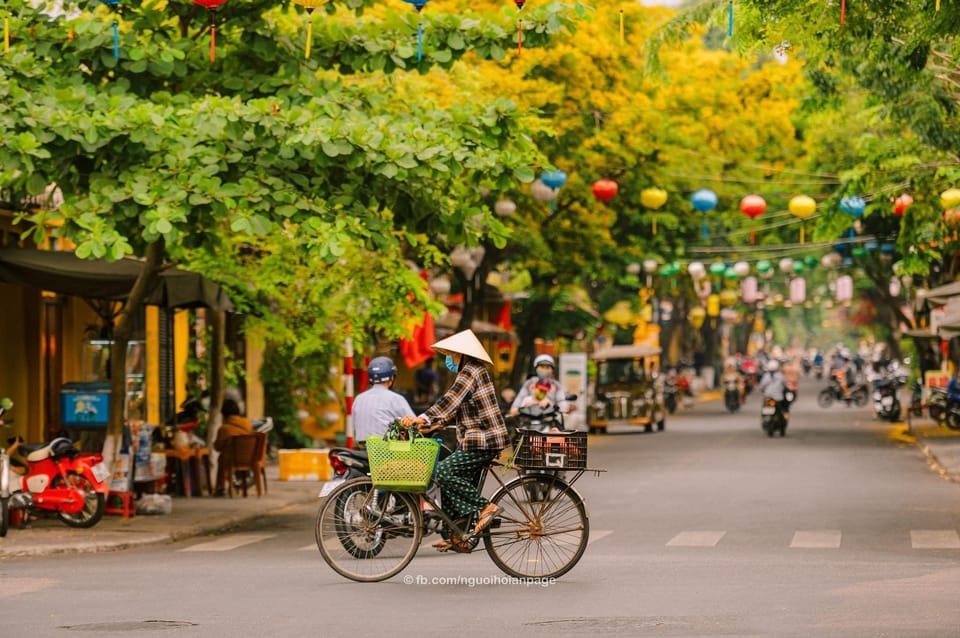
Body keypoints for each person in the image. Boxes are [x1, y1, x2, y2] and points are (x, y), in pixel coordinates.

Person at [400, 329, 508, 553]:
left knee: (443, 472)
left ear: (461, 355)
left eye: (451, 354)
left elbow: (450, 401)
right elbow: (461, 409)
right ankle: (459, 532)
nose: (449, 359)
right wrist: (434, 424)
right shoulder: (472, 371)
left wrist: (423, 417)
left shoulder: (470, 371)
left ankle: (485, 507)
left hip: (484, 440)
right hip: (479, 437)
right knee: (449, 479)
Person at [352, 356, 415, 447]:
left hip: (361, 449)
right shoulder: (395, 399)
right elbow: (414, 424)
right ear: (391, 378)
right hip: (386, 452)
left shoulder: (359, 399)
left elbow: (354, 427)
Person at [508, 354, 570, 418]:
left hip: (549, 419)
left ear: (552, 369)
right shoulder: (529, 383)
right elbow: (520, 398)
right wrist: (516, 408)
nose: (544, 369)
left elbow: (561, 401)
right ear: (536, 368)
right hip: (528, 418)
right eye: (542, 367)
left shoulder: (556, 385)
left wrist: (557, 407)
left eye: (547, 367)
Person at [213, 398, 254, 496]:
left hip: (232, 460)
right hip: (250, 458)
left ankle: (221, 487)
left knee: (222, 458)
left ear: (224, 414)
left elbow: (218, 447)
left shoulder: (224, 429)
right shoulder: (247, 424)